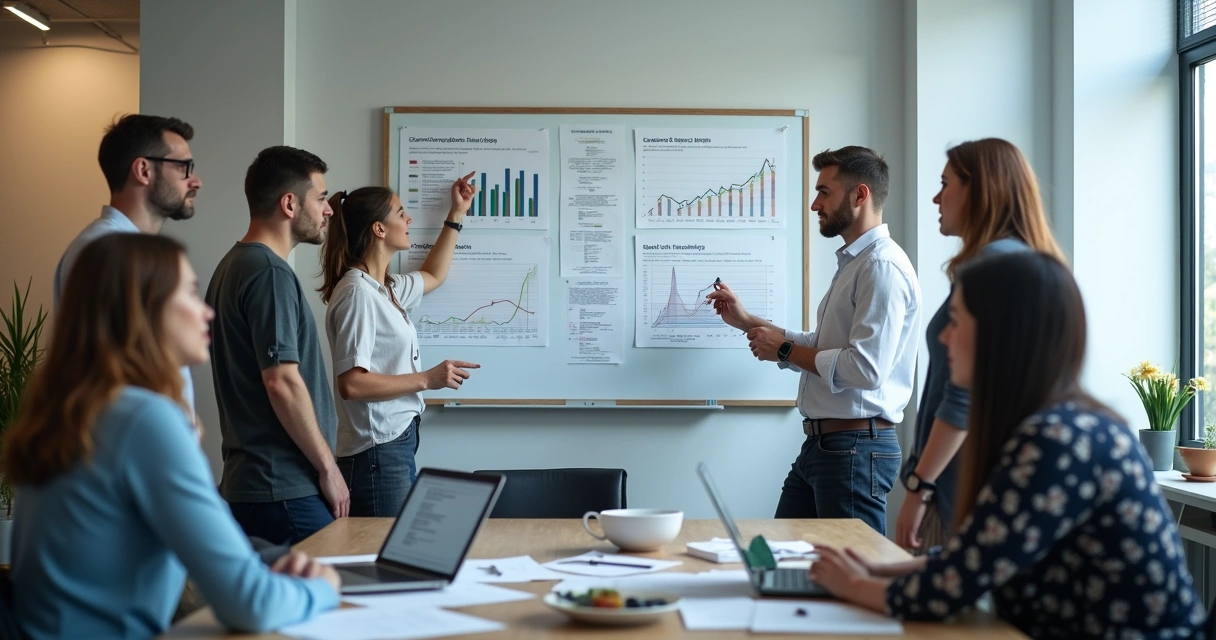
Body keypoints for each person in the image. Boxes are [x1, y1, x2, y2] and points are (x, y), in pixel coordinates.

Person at [809, 251, 1207, 639]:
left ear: (999, 335)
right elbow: (977, 556)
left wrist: (853, 586)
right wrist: (876, 569)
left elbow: (949, 588)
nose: (944, 338)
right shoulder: (1059, 425)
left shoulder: (1058, 440)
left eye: (957, 321)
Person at [5, 234, 340, 639]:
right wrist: (324, 587)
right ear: (143, 309)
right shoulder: (143, 419)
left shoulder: (75, 412)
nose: (207, 313)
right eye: (191, 293)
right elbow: (252, 604)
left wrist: (267, 561)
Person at [707, 146, 921, 534]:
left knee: (852, 572)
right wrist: (746, 320)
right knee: (782, 561)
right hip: (825, 448)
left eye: (824, 192)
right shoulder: (857, 264)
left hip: (854, 449)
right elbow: (822, 343)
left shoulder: (881, 267)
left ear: (860, 195)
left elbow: (865, 368)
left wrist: (784, 350)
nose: (813, 204)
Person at [894, 138, 1066, 552]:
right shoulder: (1020, 260)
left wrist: (919, 486)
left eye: (945, 183)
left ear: (979, 190)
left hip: (967, 488)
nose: (936, 197)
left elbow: (962, 397)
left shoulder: (992, 267)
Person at [206, 146, 347, 545]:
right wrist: (328, 469)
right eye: (320, 198)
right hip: (282, 488)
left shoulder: (233, 265)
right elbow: (281, 382)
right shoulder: (268, 272)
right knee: (334, 593)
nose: (328, 210)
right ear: (289, 203)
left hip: (255, 485)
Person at [318, 178, 481, 516]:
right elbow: (352, 383)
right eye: (402, 213)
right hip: (377, 453)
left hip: (393, 445)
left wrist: (456, 215)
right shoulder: (357, 294)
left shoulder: (383, 289)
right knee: (382, 555)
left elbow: (433, 275)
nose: (409, 221)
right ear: (379, 228)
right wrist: (427, 379)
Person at [54, 114, 203, 414]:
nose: (196, 181)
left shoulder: (119, 249)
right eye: (183, 167)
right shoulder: (105, 253)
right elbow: (120, 375)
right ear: (143, 170)